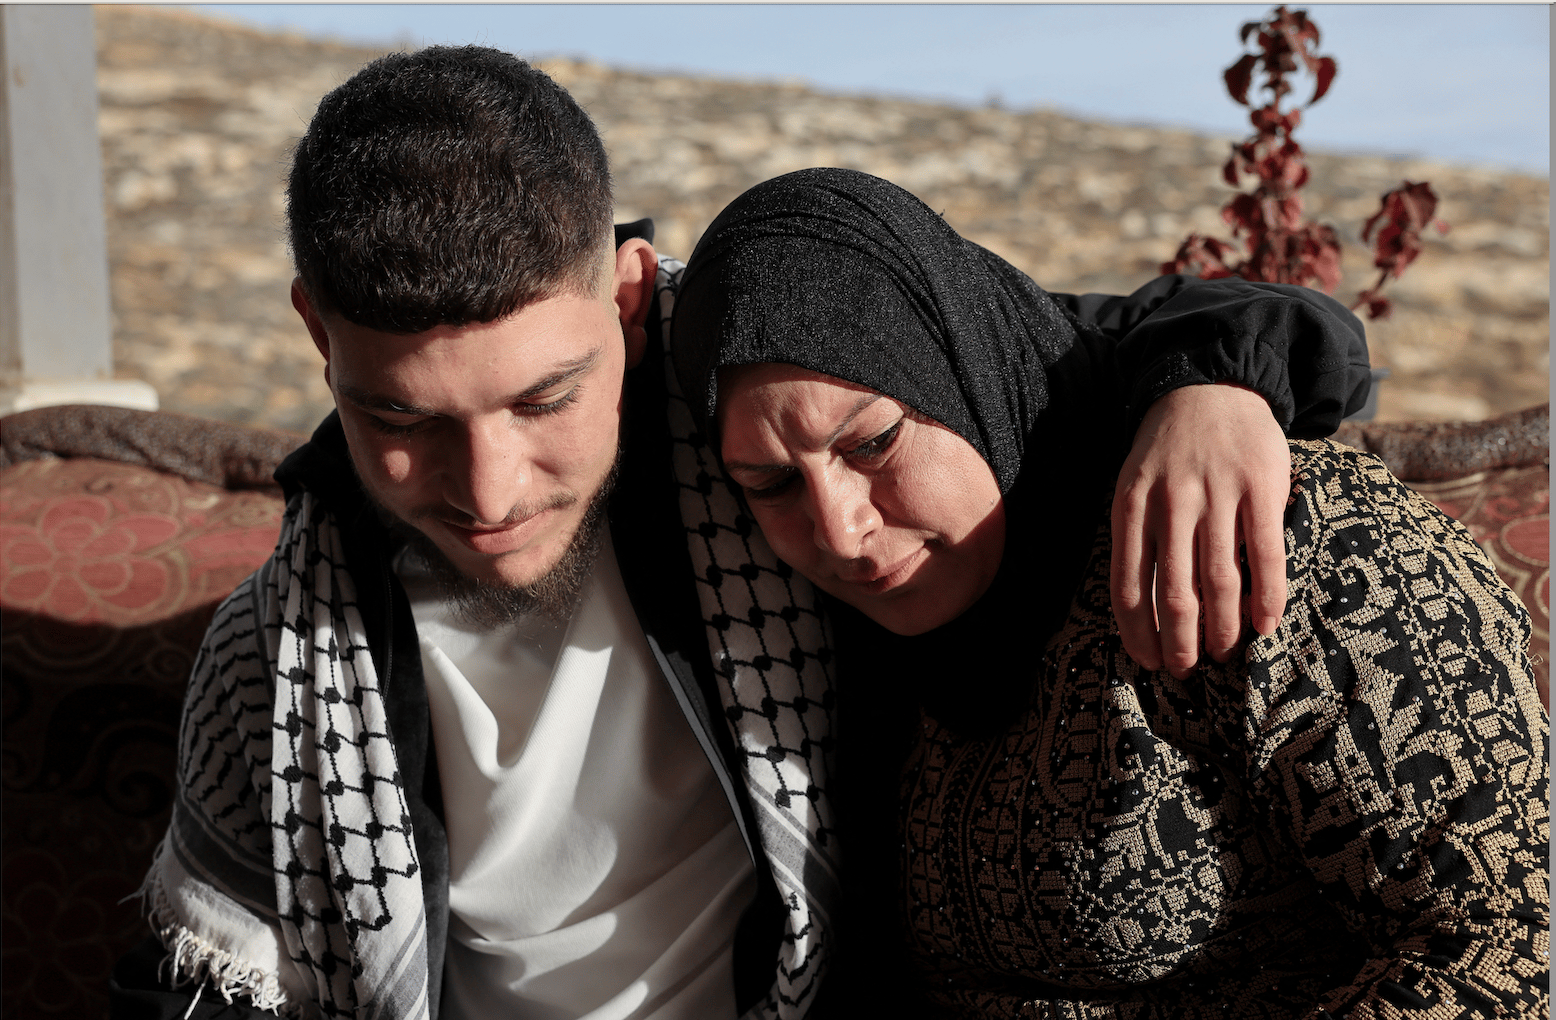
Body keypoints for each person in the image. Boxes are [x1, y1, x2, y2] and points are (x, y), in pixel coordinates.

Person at [111, 48, 1374, 1020]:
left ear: (625, 292)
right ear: (314, 336)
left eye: (546, 399)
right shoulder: (276, 662)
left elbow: (1024, 350)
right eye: (399, 419)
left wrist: (1214, 384)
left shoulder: (762, 421)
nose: (488, 492)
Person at [669, 167, 1550, 1019]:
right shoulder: (835, 640)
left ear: (963, 372)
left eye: (873, 445)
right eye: (772, 486)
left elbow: (1511, 947)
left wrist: (1217, 377)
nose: (839, 532)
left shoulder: (1267, 541)